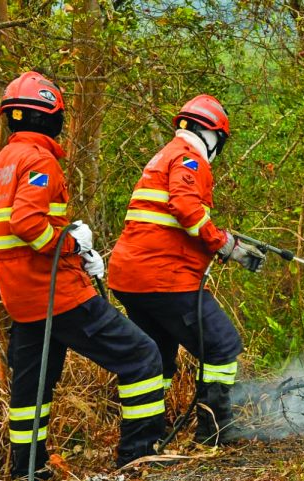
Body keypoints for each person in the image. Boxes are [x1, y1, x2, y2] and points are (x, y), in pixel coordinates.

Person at [0, 71, 166, 479]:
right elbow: (27, 223)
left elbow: (17, 228)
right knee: (142, 356)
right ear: (52, 116)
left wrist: (69, 241)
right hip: (59, 295)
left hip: (22, 301)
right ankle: (139, 454)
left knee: (31, 391)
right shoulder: (39, 160)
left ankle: (28, 470)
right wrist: (74, 245)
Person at [108, 94, 265, 446]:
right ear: (211, 134)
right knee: (222, 347)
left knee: (155, 359)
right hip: (163, 278)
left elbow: (170, 223)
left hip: (130, 277)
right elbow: (184, 205)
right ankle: (214, 433)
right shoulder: (188, 159)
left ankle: (141, 445)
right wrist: (222, 244)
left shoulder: (163, 157)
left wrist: (227, 242)